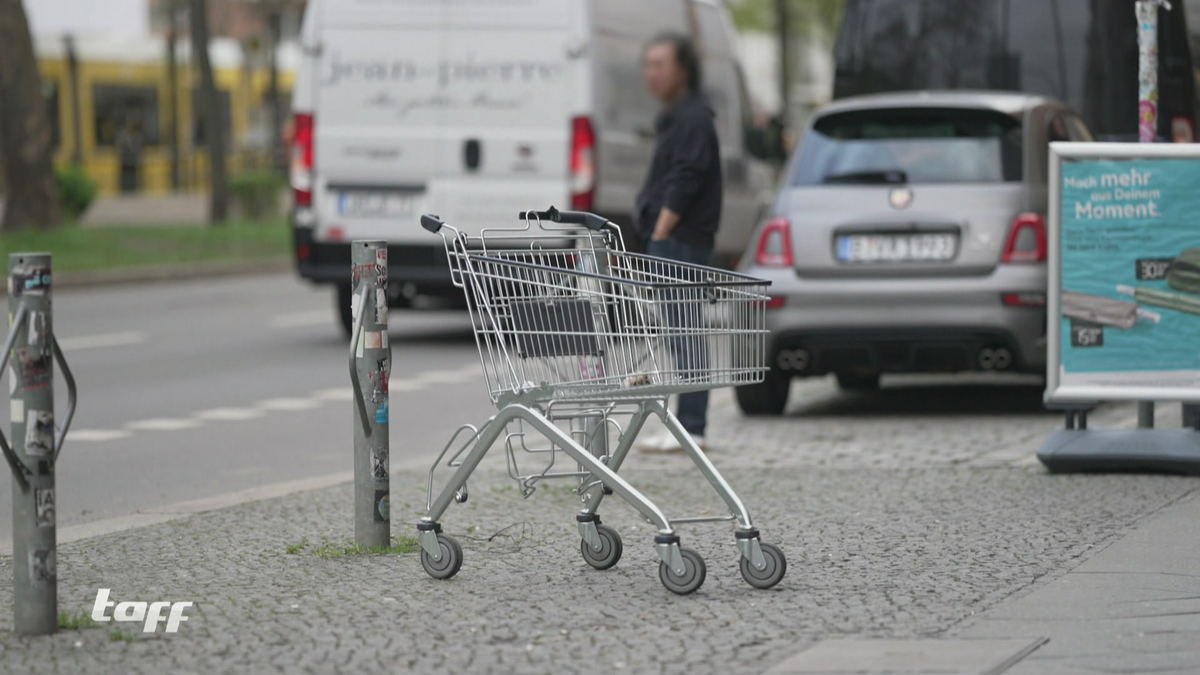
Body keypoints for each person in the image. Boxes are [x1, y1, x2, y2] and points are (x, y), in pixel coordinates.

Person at [633, 32, 723, 453]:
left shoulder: (692, 117)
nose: (650, 73)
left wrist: (661, 231)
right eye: (647, 64)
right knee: (678, 331)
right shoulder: (680, 116)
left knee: (684, 332)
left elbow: (686, 178)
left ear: (682, 70)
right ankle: (688, 425)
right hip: (675, 239)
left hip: (681, 241)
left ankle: (691, 426)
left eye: (660, 64)